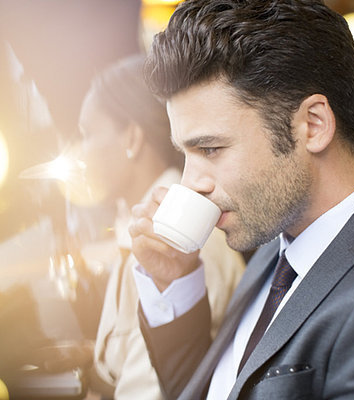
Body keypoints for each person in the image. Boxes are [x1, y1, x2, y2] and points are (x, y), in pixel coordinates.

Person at [129, 0, 354, 399]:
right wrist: (177, 283)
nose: (190, 183)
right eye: (185, 154)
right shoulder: (276, 246)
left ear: (312, 125)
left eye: (210, 149)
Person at [77, 54, 245, 399]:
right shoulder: (142, 228)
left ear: (132, 139)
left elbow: (157, 388)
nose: (79, 153)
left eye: (88, 134)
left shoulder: (181, 236)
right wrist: (94, 357)